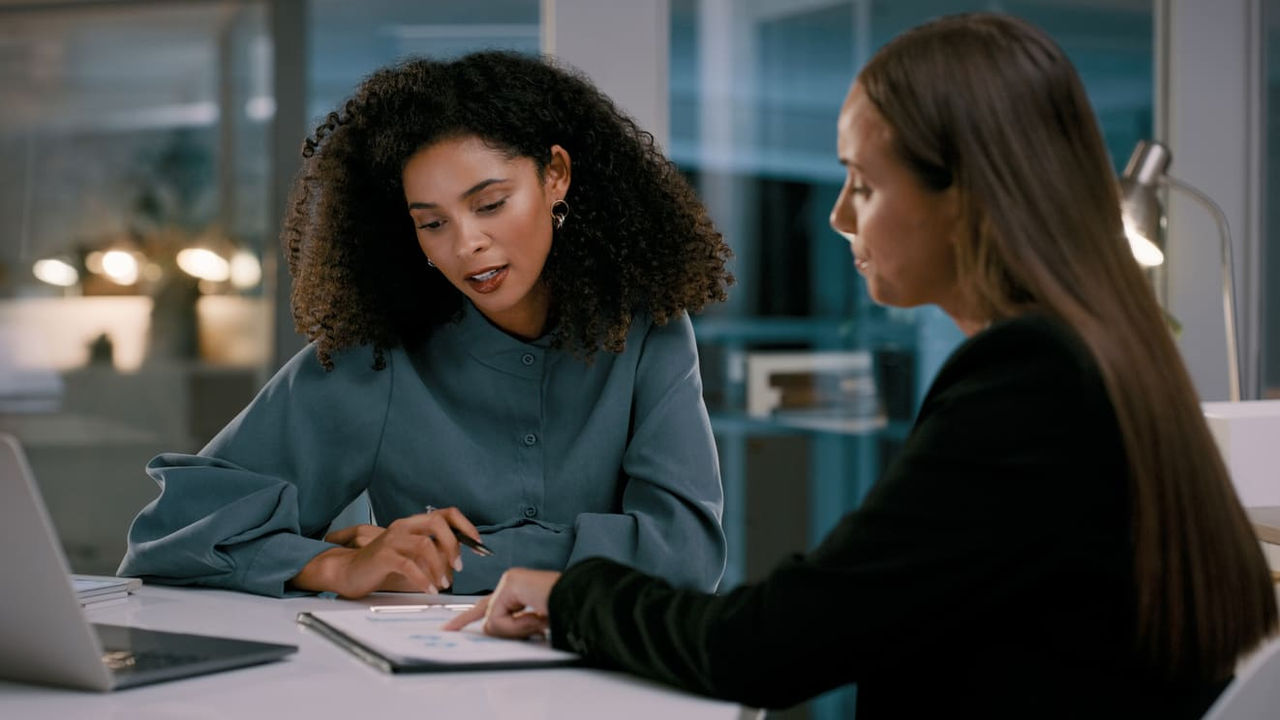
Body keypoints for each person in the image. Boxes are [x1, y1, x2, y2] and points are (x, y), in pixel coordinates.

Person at [446, 13, 1278, 717]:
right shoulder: (1101, 357)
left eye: (864, 184)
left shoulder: (1032, 384)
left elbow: (770, 647)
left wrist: (574, 595)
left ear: (970, 197)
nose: (841, 216)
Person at [117, 51, 733, 599]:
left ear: (555, 176)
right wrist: (332, 566)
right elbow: (170, 534)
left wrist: (451, 561)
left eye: (490, 204)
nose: (467, 244)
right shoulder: (382, 357)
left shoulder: (648, 330)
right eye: (432, 223)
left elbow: (685, 557)